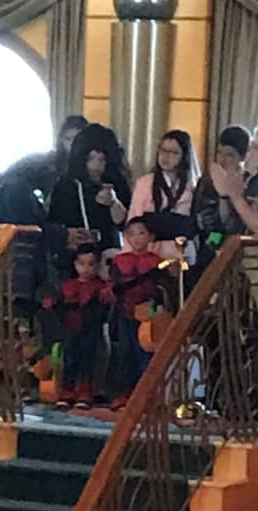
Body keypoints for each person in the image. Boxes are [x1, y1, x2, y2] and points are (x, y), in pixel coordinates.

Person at [0, 115, 88, 320]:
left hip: (46, 243)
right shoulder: (39, 167)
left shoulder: (87, 173)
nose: (72, 146)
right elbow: (9, 188)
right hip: (27, 236)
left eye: (78, 140)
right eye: (68, 139)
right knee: (14, 191)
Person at [48, 123, 131, 272]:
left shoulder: (118, 183)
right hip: (75, 260)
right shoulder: (66, 185)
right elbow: (53, 222)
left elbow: (128, 224)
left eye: (102, 159)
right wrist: (68, 234)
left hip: (107, 257)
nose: (96, 166)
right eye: (90, 159)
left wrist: (114, 203)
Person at [110, 217, 163, 410]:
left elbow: (160, 288)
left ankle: (145, 394)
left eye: (141, 233)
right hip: (125, 312)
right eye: (131, 234)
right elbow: (115, 286)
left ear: (151, 237)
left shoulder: (156, 261)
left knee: (145, 352)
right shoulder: (119, 261)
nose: (137, 238)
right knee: (125, 352)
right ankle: (124, 392)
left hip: (147, 315)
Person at [55, 243, 114, 410]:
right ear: (75, 264)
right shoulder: (67, 286)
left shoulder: (102, 287)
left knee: (89, 358)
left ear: (97, 265)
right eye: (81, 263)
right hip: (71, 328)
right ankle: (67, 389)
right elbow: (58, 306)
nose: (86, 269)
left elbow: (107, 306)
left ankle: (85, 390)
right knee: (69, 357)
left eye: (91, 264)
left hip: (91, 328)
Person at [127, 130, 199, 264]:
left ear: (184, 156)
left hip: (183, 255)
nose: (166, 156)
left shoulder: (193, 187)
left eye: (173, 152)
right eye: (163, 150)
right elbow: (133, 221)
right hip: (151, 254)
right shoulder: (145, 183)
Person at [192, 125, 251, 242]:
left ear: (243, 156)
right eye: (219, 153)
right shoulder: (207, 183)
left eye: (229, 155)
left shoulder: (249, 182)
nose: (222, 160)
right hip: (212, 241)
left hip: (241, 242)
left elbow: (242, 225)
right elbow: (205, 224)